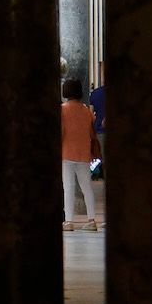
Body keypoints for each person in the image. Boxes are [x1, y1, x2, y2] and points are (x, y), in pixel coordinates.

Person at [61, 79, 99, 232]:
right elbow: (91, 133)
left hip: (66, 152)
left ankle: (68, 222)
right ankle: (92, 220)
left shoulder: (62, 110)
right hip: (84, 154)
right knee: (86, 187)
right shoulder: (86, 111)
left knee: (68, 187)